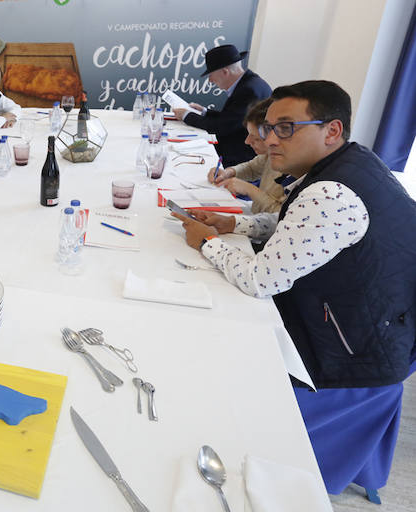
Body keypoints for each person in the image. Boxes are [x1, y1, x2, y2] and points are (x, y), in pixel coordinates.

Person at [173, 80, 416, 495]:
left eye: (286, 127)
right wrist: (235, 223)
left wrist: (209, 242)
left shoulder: (331, 192)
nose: (269, 140)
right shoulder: (348, 165)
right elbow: (297, 226)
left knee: (212, 345)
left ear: (332, 130)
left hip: (354, 351)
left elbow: (259, 279)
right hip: (378, 326)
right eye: (268, 127)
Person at [173, 44, 272, 167]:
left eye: (211, 75)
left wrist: (186, 115)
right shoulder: (249, 84)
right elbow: (232, 117)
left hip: (238, 157)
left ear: (225, 72)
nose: (210, 80)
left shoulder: (248, 90)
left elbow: (222, 126)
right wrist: (205, 111)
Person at [208, 97, 288, 214]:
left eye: (255, 138)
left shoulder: (292, 170)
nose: (247, 141)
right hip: (257, 214)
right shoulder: (269, 154)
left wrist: (250, 190)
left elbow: (280, 215)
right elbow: (251, 168)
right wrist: (229, 172)